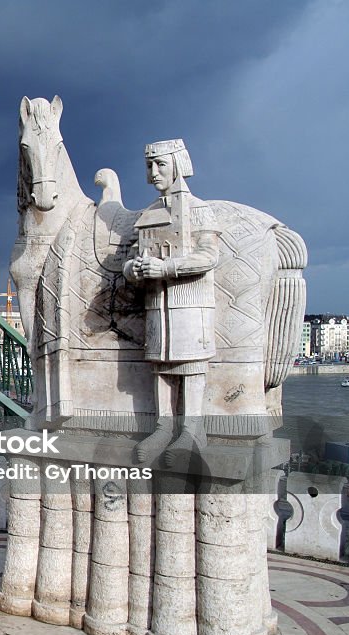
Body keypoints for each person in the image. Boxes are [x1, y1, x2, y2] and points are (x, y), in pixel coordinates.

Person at [123, 139, 220, 463]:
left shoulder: (199, 210)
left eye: (161, 164)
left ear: (178, 165)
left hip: (190, 303)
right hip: (156, 304)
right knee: (161, 365)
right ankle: (164, 427)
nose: (153, 172)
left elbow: (209, 255)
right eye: (149, 166)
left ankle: (192, 430)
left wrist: (167, 267)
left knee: (190, 365)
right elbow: (130, 260)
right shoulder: (148, 215)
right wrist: (134, 269)